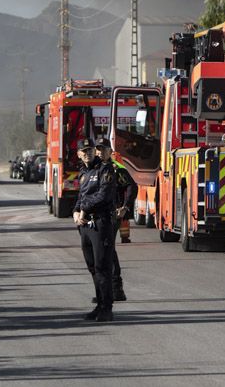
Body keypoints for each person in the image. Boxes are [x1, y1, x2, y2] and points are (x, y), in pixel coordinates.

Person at [73, 137, 117, 322]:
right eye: (84, 151)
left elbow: (103, 195)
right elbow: (81, 196)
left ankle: (107, 308)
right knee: (93, 268)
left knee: (102, 267)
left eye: (90, 150)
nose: (87, 153)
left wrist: (84, 208)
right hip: (85, 226)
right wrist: (75, 211)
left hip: (100, 224)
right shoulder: (83, 172)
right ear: (79, 154)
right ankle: (99, 305)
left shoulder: (105, 169)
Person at [101, 139, 137, 302]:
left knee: (107, 248)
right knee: (100, 250)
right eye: (98, 149)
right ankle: (105, 290)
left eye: (105, 149)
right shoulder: (93, 168)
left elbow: (132, 186)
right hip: (96, 215)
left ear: (110, 151)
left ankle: (116, 288)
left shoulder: (117, 169)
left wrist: (125, 207)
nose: (101, 152)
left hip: (112, 214)